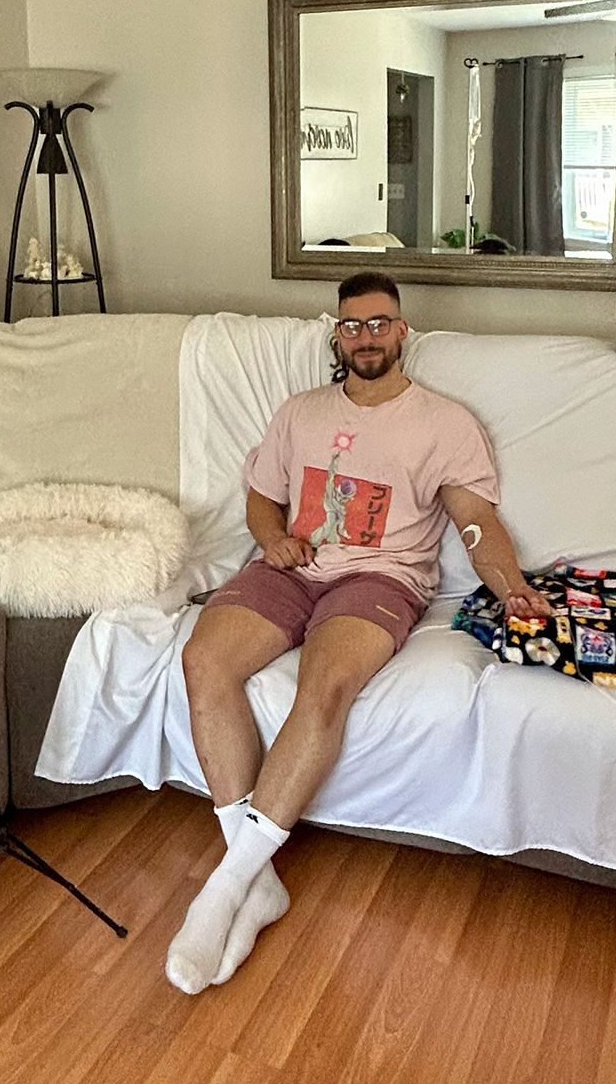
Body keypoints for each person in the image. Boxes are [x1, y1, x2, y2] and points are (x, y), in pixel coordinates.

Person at [166, 271, 549, 994]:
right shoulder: (300, 412)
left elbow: (477, 522)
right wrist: (272, 538)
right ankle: (255, 879)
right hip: (290, 568)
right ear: (337, 335)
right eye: (352, 326)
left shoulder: (444, 423)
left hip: (380, 579)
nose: (366, 337)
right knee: (203, 662)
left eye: (379, 324)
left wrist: (513, 588)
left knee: (327, 684)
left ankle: (224, 888)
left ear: (402, 331)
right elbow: (261, 497)